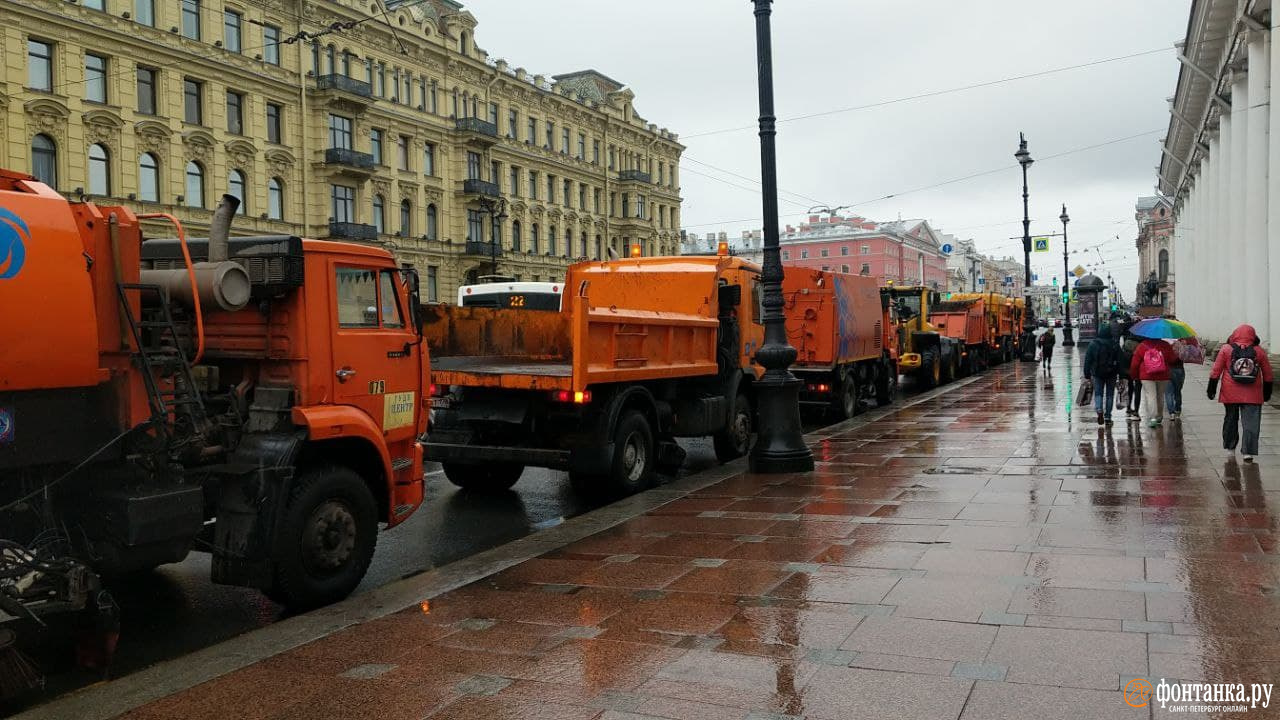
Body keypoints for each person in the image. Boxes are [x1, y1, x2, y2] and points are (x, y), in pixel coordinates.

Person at [1208, 324, 1274, 462]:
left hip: (1230, 393)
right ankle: (1248, 452)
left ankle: (1230, 448)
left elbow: (1216, 370)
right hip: (1253, 394)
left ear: (1234, 335)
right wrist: (1267, 392)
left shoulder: (1226, 349)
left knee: (1231, 420)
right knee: (1251, 423)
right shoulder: (1259, 351)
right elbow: (1268, 374)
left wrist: (1211, 388)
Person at [1130, 333, 1179, 427]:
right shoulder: (1165, 345)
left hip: (1146, 375)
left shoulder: (1142, 346)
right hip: (1163, 375)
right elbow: (1172, 359)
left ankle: (1152, 418)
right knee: (1160, 396)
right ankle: (1159, 416)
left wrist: (1134, 375)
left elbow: (1135, 363)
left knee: (1150, 396)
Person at [1083, 322, 1122, 425]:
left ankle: (1099, 410)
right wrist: (1121, 375)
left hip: (1097, 372)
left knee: (1098, 393)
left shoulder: (1093, 344)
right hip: (1111, 373)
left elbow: (1088, 360)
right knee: (1110, 394)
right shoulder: (1115, 344)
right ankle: (1108, 416)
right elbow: (1120, 361)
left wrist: (1087, 374)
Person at [1167, 335, 1204, 420]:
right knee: (1178, 391)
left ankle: (1171, 413)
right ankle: (1177, 410)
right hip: (1179, 370)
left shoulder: (1165, 343)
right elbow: (1189, 355)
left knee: (1168, 393)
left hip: (1168, 370)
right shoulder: (1182, 342)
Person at [1120, 329, 1143, 420]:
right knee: (1138, 389)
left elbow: (1121, 357)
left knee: (1129, 388)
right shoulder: (1140, 345)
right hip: (1137, 370)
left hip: (1127, 370)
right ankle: (1136, 410)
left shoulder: (1126, 343)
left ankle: (1128, 407)